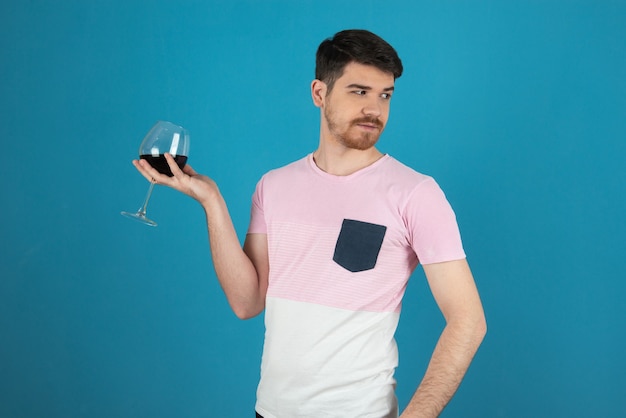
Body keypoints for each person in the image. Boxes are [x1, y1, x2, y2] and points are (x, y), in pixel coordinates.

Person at [133, 29, 486, 418]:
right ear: (319, 93)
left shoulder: (416, 193)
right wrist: (212, 202)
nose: (375, 109)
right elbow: (247, 301)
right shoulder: (274, 186)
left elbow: (467, 321)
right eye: (359, 91)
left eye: (385, 95)